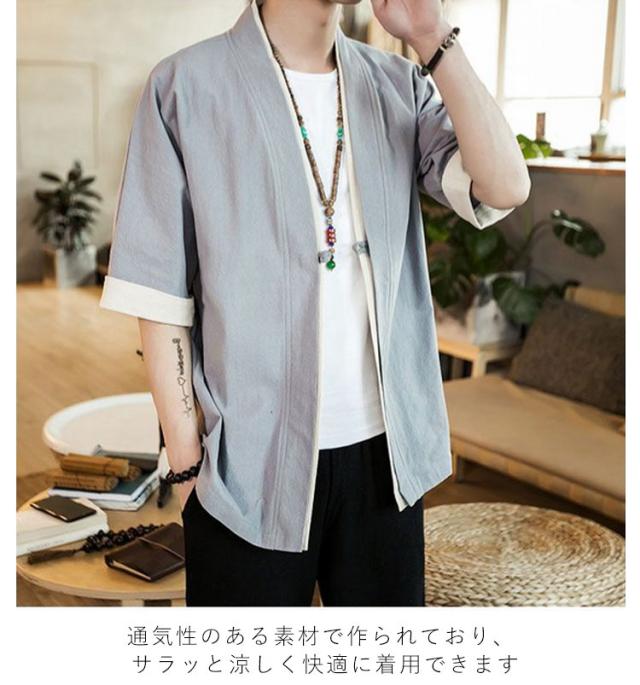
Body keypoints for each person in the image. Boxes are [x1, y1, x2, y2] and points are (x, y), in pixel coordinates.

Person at [100, 0, 530, 606]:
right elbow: (158, 290)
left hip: (386, 459)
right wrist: (187, 460)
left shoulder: (398, 82)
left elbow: (506, 186)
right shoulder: (185, 86)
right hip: (246, 462)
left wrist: (431, 33)